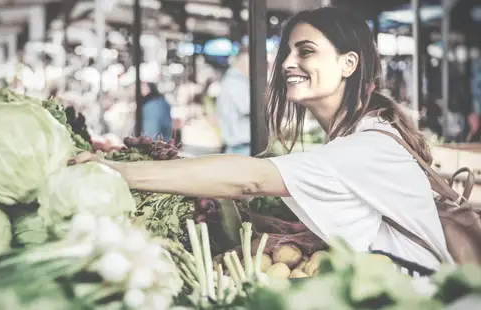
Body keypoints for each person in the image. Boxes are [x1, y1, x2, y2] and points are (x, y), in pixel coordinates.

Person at [70, 7, 453, 272]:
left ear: (348, 64)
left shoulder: (365, 147)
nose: (287, 63)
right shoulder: (361, 134)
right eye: (286, 52)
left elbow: (248, 179)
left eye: (306, 51)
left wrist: (115, 171)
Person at [217, 46, 251, 155]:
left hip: (237, 147)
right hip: (240, 147)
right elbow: (251, 107)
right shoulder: (236, 81)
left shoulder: (230, 79)